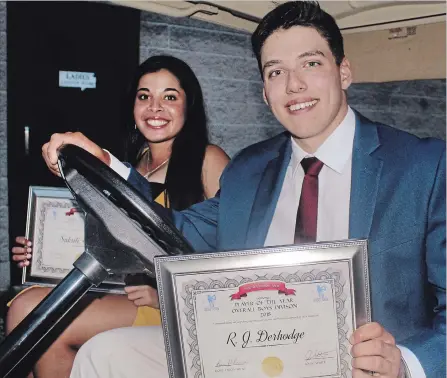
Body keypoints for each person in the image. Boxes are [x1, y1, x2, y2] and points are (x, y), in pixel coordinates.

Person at [42, 2, 445, 377]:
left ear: (343, 72)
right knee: (104, 352)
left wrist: (405, 363)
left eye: (311, 63)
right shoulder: (249, 169)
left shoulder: (421, 167)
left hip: (354, 364)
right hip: (244, 349)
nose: (294, 85)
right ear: (264, 93)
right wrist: (104, 164)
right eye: (275, 72)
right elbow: (174, 229)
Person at [7, 54, 230, 378]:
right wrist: (42, 252)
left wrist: (163, 295)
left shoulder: (208, 159)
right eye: (144, 96)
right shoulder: (131, 165)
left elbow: (230, 247)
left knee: (32, 314)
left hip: (169, 307)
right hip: (120, 292)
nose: (155, 108)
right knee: (25, 306)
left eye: (169, 96)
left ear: (189, 106)